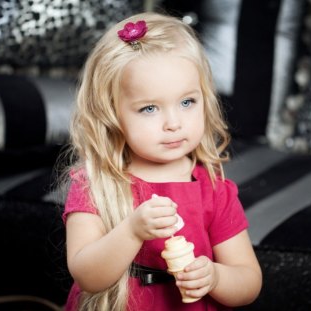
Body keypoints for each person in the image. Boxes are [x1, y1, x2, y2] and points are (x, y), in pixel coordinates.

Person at [61, 12, 262, 311]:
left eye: (186, 102)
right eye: (150, 108)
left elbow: (249, 282)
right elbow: (88, 276)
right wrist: (131, 231)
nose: (173, 123)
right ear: (111, 114)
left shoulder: (214, 189)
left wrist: (216, 277)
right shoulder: (95, 184)